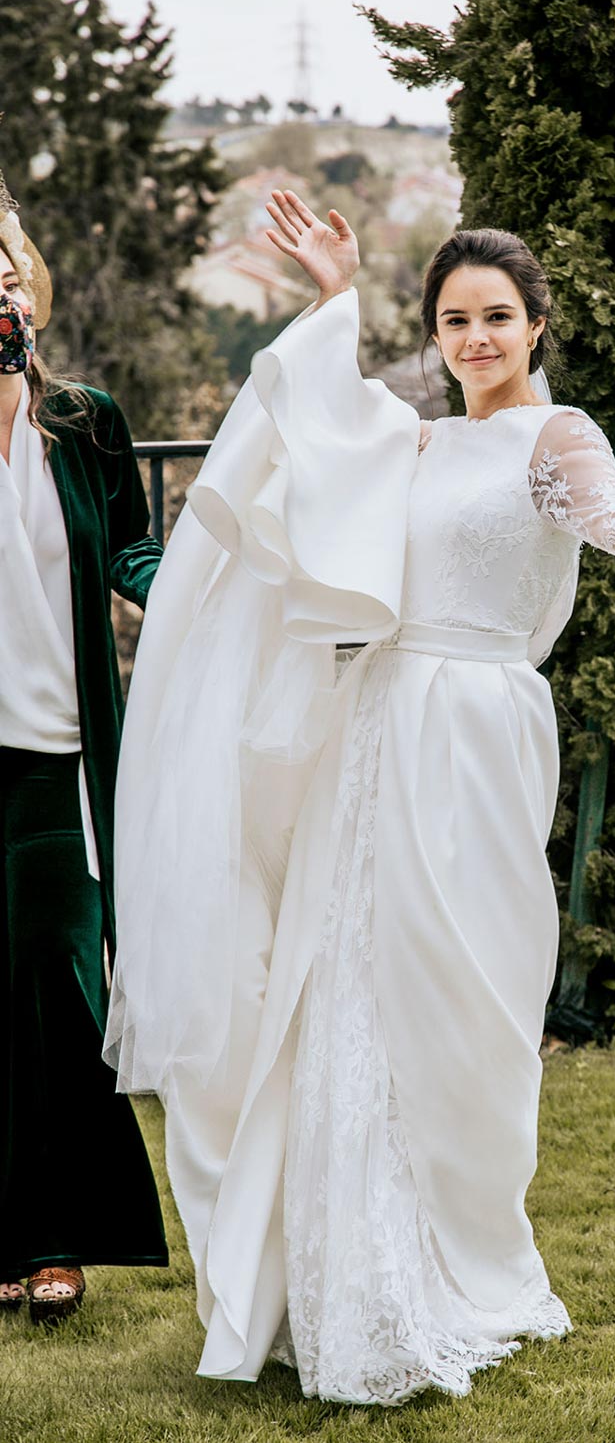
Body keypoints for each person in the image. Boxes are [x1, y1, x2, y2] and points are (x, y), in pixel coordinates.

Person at [106, 192, 615, 1404]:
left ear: (536, 327)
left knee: (468, 995)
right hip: (378, 721)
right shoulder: (422, 442)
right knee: (350, 983)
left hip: (484, 731)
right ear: (436, 334)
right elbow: (321, 441)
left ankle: (470, 1251)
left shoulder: (561, 439)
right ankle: (343, 1278)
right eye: (455, 319)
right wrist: (337, 296)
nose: (477, 338)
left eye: (498, 316)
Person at [0, 178, 167, 1324]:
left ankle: (59, 1235)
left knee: (59, 984)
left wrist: (203, 599)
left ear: (36, 291)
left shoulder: (85, 418)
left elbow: (135, 549)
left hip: (58, 754)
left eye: (7, 271)